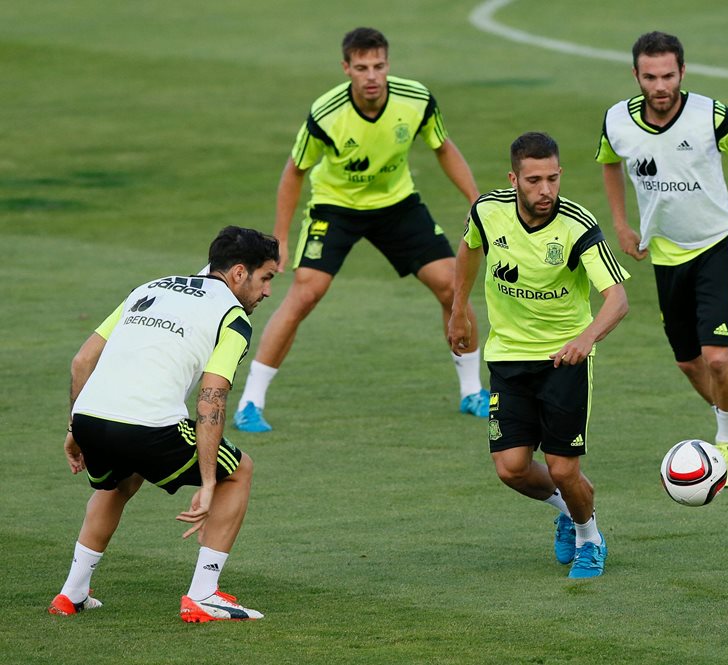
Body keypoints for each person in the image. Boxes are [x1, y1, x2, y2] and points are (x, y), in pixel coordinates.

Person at [233, 27, 485, 432]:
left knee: (452, 286)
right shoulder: (326, 113)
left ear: (388, 65)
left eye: (379, 66)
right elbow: (294, 170)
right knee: (305, 293)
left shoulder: (416, 100)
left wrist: (475, 200)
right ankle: (250, 403)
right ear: (346, 68)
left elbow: (443, 147)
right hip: (336, 206)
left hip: (397, 204)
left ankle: (473, 391)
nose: (372, 76)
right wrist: (280, 237)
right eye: (362, 67)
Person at [49, 226, 279, 622]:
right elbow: (212, 398)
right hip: (149, 426)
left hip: (89, 417)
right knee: (238, 472)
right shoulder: (233, 317)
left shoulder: (149, 287)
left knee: (120, 481)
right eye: (267, 278)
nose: (268, 292)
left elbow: (82, 360)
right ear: (239, 273)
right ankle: (204, 595)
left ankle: (72, 593)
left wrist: (74, 428)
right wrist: (209, 482)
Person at [595, 31, 728, 486]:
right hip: (665, 252)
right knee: (688, 362)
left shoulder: (711, 115)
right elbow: (609, 163)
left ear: (683, 71)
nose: (660, 86)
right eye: (650, 77)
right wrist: (622, 225)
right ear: (636, 76)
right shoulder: (617, 121)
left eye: (668, 75)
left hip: (718, 242)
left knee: (717, 357)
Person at [449, 132, 629, 578]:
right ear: (514, 179)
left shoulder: (577, 226)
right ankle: (569, 510)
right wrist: (459, 308)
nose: (545, 190)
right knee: (511, 469)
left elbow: (617, 299)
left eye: (552, 178)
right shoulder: (487, 212)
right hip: (508, 357)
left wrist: (585, 340)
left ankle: (590, 537)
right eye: (533, 181)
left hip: (563, 360)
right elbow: (470, 247)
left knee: (564, 469)